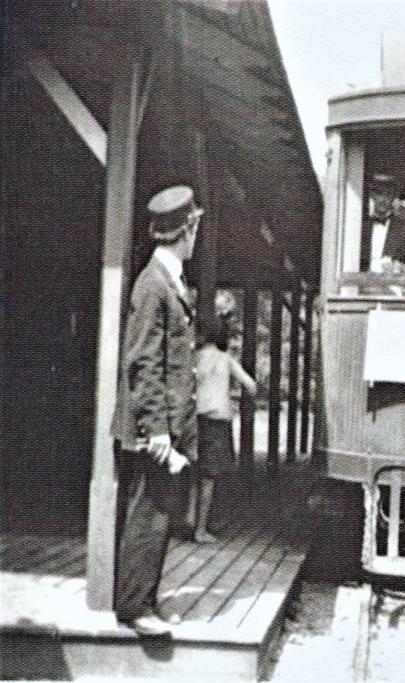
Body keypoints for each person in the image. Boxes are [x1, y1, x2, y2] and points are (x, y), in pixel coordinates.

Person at [111, 185, 203, 636]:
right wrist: (158, 431)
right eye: (195, 227)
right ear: (189, 230)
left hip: (163, 424)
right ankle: (133, 607)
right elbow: (142, 360)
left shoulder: (167, 279)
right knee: (148, 513)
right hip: (155, 427)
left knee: (160, 512)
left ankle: (143, 599)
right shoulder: (154, 284)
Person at [194, 316, 256, 543]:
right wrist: (230, 396)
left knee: (194, 472)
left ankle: (192, 522)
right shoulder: (225, 359)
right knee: (211, 477)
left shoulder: (195, 357)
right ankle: (201, 529)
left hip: (196, 419)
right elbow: (251, 386)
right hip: (218, 422)